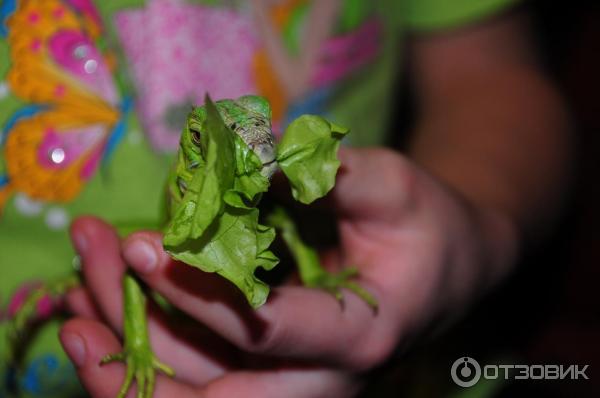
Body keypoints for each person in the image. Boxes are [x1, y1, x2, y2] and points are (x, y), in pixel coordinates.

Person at [0, 0, 570, 397]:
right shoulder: (184, 199)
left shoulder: (256, 189)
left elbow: (489, 75)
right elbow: (133, 274)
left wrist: (477, 232)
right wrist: (140, 349)